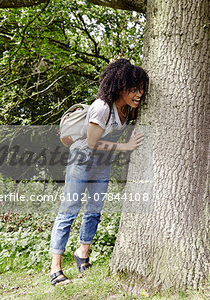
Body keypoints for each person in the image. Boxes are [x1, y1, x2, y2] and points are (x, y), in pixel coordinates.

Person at [49, 59, 149, 286]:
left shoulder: (127, 108)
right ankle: (55, 268)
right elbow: (92, 142)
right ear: (120, 87)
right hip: (81, 160)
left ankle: (82, 254)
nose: (139, 94)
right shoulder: (102, 107)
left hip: (102, 163)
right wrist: (126, 146)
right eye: (134, 89)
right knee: (69, 211)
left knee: (94, 211)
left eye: (141, 89)